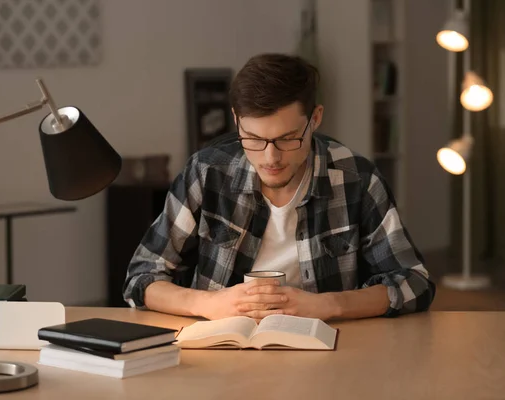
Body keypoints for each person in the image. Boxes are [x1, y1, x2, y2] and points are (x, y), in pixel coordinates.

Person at [123, 53, 435, 321]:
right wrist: (207, 304)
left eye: (287, 138)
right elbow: (141, 278)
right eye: (255, 139)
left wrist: (330, 305)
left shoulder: (357, 178)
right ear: (236, 121)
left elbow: (415, 283)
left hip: (328, 352)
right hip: (220, 352)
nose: (271, 158)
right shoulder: (206, 173)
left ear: (315, 119)